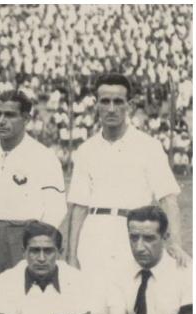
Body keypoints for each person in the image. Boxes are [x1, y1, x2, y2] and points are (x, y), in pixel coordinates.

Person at [66, 73, 187, 282]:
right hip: (93, 236)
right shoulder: (86, 149)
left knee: (127, 308)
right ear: (96, 105)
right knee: (92, 308)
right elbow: (78, 208)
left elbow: (168, 200)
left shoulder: (149, 146)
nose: (111, 108)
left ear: (129, 105)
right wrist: (71, 256)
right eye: (105, 101)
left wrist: (174, 243)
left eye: (118, 102)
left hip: (133, 235)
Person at [0, 90, 66, 278]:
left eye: (9, 115)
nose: (1, 120)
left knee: (19, 295)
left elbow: (56, 209)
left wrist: (36, 246)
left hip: (22, 239)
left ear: (26, 119)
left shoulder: (43, 157)